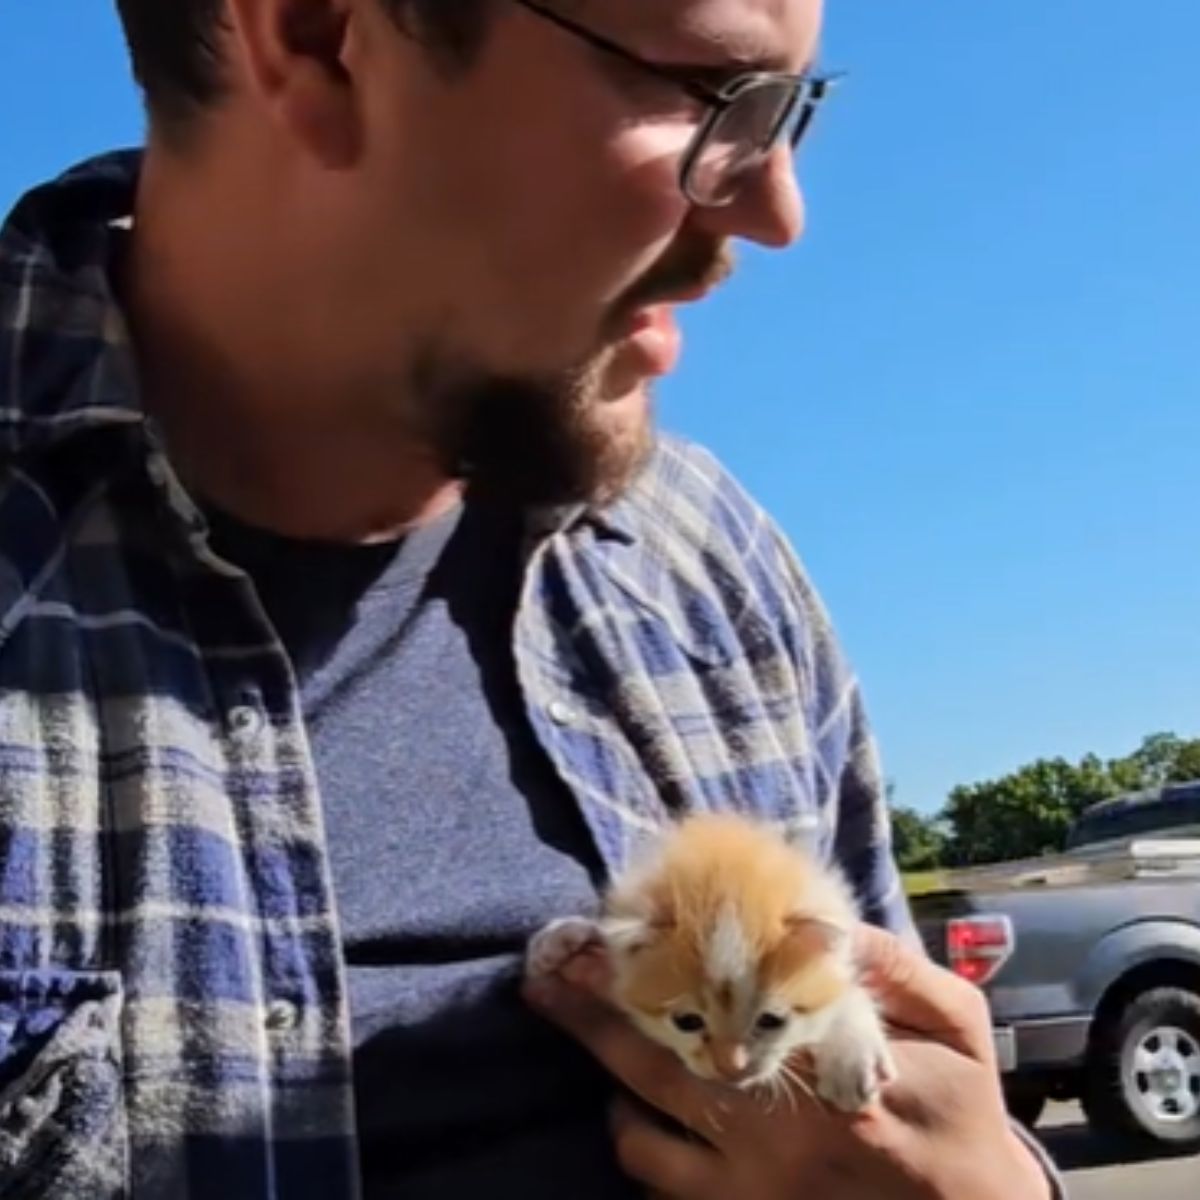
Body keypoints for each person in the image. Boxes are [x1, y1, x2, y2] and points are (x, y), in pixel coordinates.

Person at [0, 1, 1061, 1197]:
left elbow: (894, 1092)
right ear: (313, 36)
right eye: (713, 89)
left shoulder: (708, 567)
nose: (776, 211)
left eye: (792, 114)